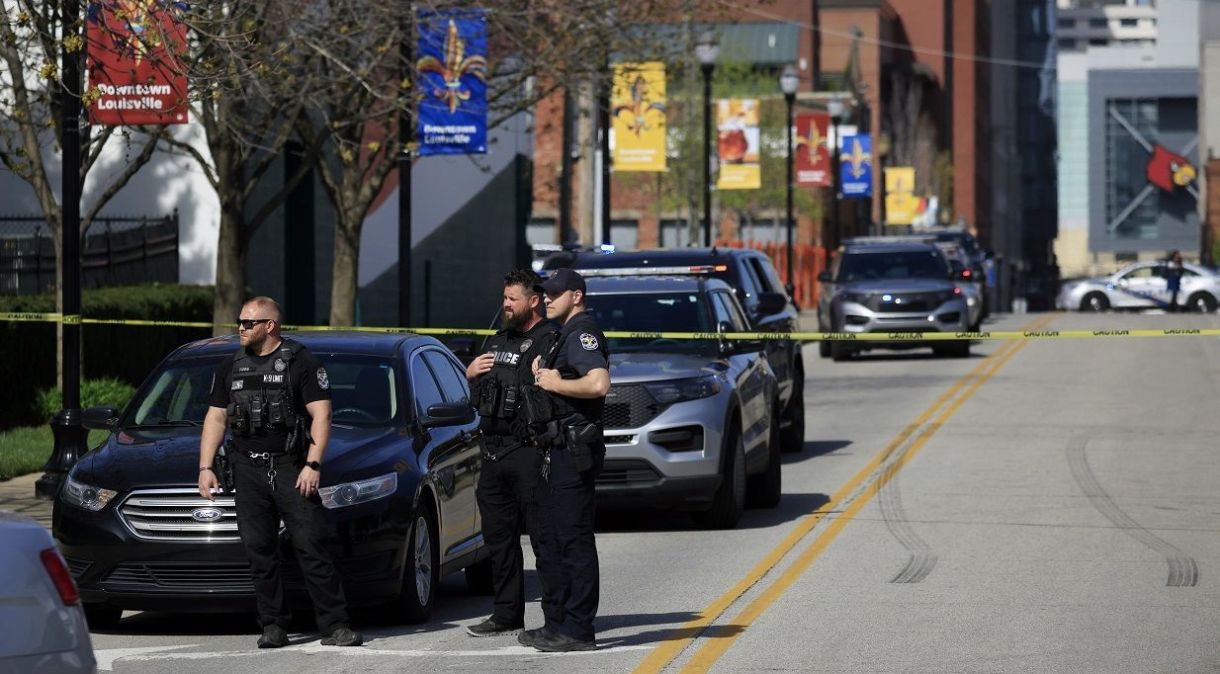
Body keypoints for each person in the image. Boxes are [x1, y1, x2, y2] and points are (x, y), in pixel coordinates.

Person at [197, 296, 362, 649]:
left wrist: (312, 464)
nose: (240, 328)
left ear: (269, 326)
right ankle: (272, 625)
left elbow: (322, 414)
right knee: (259, 549)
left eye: (247, 323)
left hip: (290, 466)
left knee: (310, 545)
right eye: (239, 322)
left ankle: (335, 626)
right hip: (246, 467)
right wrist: (206, 466)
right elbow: (215, 417)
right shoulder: (231, 366)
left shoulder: (300, 362)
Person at [518, 268, 610, 652]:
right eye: (544, 293)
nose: (547, 299)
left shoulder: (582, 334)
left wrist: (556, 383)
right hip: (554, 450)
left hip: (573, 451)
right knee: (551, 539)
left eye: (555, 293)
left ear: (576, 295)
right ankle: (557, 623)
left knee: (573, 540)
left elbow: (598, 383)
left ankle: (577, 629)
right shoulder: (562, 336)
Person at [464, 270, 558, 637]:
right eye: (504, 298)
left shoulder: (549, 340)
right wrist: (469, 374)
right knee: (498, 540)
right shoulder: (497, 341)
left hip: (531, 452)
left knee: (543, 538)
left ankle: (555, 617)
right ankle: (506, 614)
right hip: (493, 453)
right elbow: (478, 397)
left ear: (533, 301)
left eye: (512, 299)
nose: (505, 305)